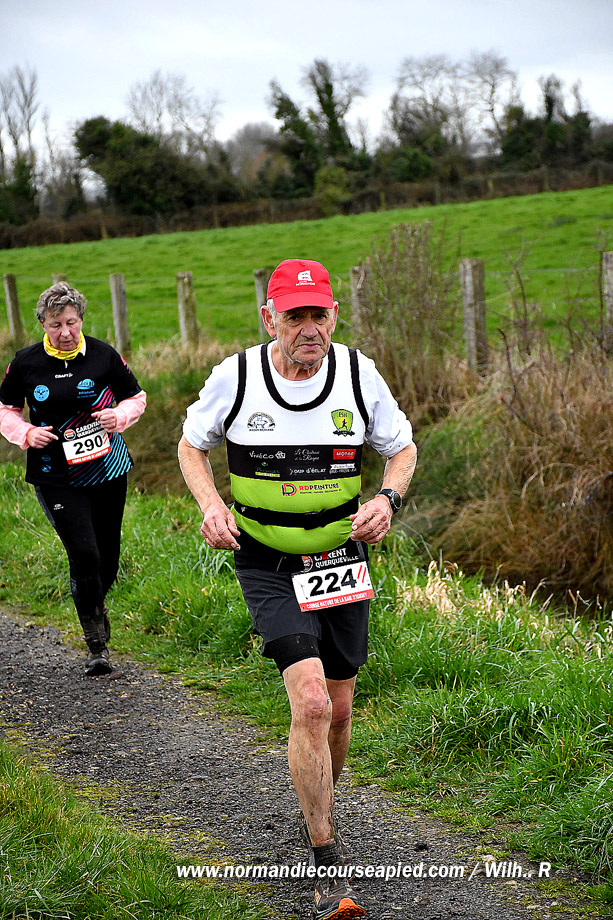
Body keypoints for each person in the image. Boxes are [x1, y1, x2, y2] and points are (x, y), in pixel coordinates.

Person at [178, 258, 416, 920]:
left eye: (319, 315)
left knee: (338, 709)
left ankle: (319, 799)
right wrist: (211, 506)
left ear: (333, 316)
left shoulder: (358, 375)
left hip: (339, 555)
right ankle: (325, 855)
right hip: (266, 561)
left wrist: (387, 499)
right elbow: (190, 446)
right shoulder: (236, 378)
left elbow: (401, 448)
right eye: (294, 316)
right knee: (309, 703)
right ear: (269, 320)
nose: (308, 328)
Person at [0, 282, 147, 676]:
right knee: (84, 554)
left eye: (71, 322)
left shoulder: (102, 355)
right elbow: (6, 409)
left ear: (80, 319)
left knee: (108, 557)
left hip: (107, 469)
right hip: (55, 475)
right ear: (43, 325)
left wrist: (119, 416)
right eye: (55, 325)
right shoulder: (26, 363)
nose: (64, 332)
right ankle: (96, 644)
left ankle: (95, 603)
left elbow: (136, 398)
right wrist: (26, 433)